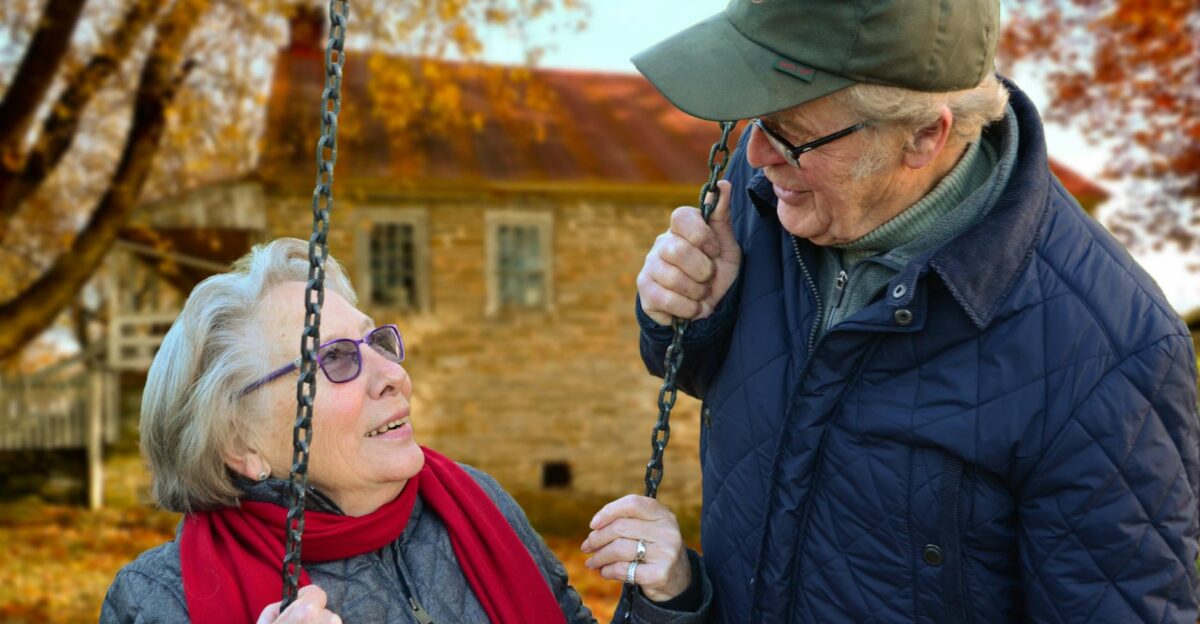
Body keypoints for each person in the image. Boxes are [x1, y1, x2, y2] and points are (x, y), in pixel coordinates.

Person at [632, 1, 1200, 622]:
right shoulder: (772, 189)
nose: (759, 155)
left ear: (925, 135)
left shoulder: (1109, 349)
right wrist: (684, 316)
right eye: (753, 121)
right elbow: (710, 377)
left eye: (791, 135)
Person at [100, 238, 709, 623]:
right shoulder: (159, 599)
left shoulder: (474, 504)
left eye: (377, 342)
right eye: (335, 358)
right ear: (241, 444)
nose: (392, 374)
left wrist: (670, 597)